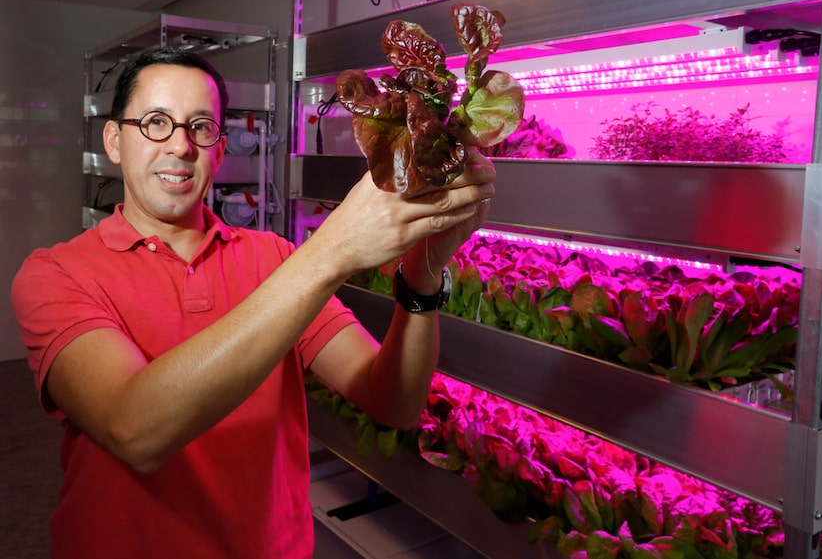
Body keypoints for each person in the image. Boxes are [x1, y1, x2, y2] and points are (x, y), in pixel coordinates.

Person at [11, 47, 496, 559]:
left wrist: (422, 277)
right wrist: (331, 251)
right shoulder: (56, 274)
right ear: (115, 140)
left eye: (200, 127)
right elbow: (136, 430)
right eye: (156, 122)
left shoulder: (273, 260)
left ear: (219, 150)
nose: (180, 146)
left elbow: (393, 402)